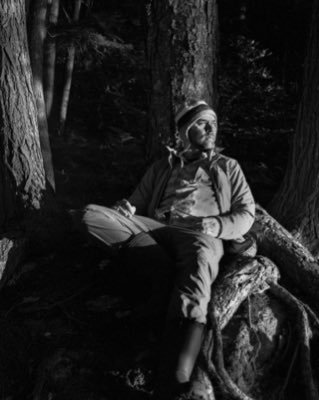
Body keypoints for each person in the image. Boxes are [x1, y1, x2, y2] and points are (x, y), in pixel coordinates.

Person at [77, 100, 255, 398]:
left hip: (198, 232)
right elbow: (136, 202)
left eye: (212, 121)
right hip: (154, 228)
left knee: (198, 267)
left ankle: (175, 380)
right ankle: (161, 267)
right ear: (185, 131)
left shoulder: (227, 166)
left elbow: (246, 213)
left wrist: (216, 226)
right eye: (201, 122)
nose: (211, 127)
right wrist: (127, 207)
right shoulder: (162, 166)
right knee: (90, 216)